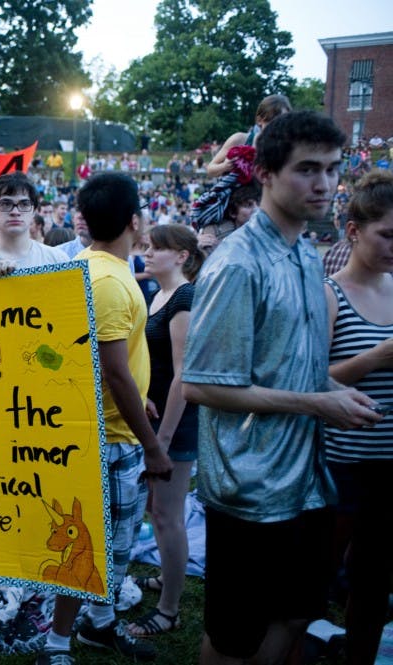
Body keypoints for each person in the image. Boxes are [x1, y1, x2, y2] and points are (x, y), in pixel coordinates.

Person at [181, 111, 383, 665]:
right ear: (266, 174)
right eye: (307, 169)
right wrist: (319, 402)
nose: (324, 184)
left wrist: (331, 388)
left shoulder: (301, 250)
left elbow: (283, 364)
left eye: (333, 169)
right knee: (233, 637)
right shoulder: (238, 263)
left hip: (305, 481)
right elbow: (200, 385)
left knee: (297, 612)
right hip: (249, 487)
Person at [37, 173, 172, 665]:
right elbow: (115, 371)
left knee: (109, 548)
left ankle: (99, 624)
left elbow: (92, 361)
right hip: (111, 438)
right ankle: (56, 645)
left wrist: (141, 397)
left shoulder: (82, 267)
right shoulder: (113, 282)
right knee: (96, 551)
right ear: (134, 221)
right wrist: (152, 446)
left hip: (101, 426)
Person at [321, 170, 393, 665]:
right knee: (315, 583)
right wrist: (374, 359)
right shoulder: (329, 294)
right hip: (340, 468)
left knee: (374, 585)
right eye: (386, 234)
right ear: (353, 231)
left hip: (390, 468)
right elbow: (310, 381)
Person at [127, 225, 204, 637]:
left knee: (168, 516)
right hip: (157, 419)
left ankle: (169, 609)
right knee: (158, 511)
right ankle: (164, 579)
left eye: (158, 248)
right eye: (148, 246)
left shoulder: (185, 298)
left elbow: (183, 377)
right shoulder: (157, 293)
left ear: (182, 256)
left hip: (175, 424)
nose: (148, 253)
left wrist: (164, 439)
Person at [206, 94, 291, 179]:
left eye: (283, 122)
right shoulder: (240, 140)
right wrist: (225, 166)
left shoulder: (288, 147)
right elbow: (210, 170)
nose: (277, 127)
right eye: (271, 122)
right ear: (259, 120)